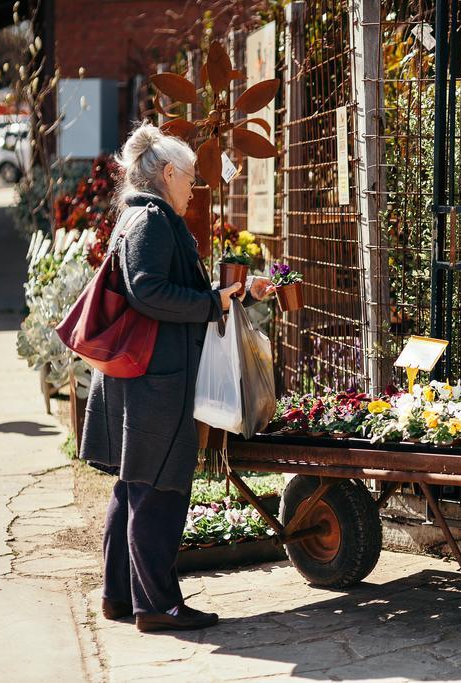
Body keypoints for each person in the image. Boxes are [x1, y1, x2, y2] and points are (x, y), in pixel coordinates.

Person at [79, 122, 275, 632]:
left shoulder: (141, 217)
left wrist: (231, 296)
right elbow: (147, 290)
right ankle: (158, 605)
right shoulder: (152, 220)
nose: (194, 188)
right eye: (189, 178)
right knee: (159, 490)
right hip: (153, 382)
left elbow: (159, 289)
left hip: (142, 377)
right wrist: (210, 303)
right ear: (167, 174)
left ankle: (120, 596)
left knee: (134, 486)